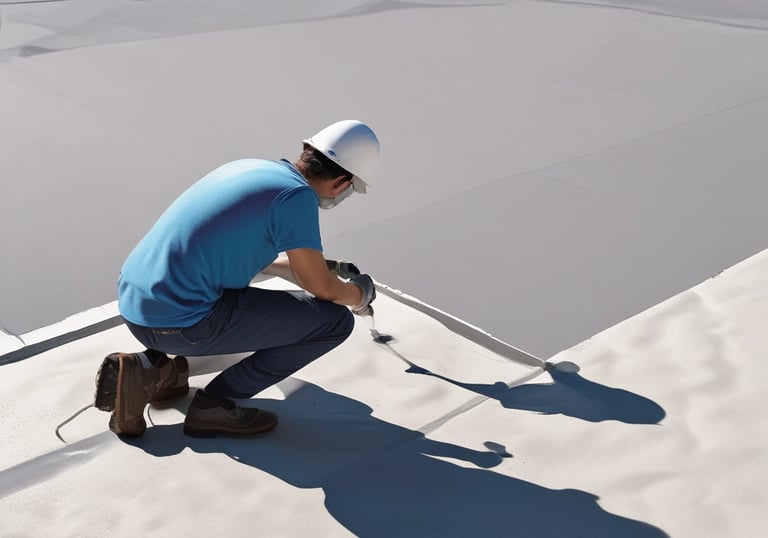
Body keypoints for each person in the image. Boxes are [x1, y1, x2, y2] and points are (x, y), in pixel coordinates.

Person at [94, 120, 380, 438]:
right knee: (333, 322)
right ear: (341, 183)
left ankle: (158, 372)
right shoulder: (296, 198)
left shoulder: (252, 169)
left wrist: (322, 267)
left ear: (306, 150)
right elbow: (322, 288)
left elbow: (267, 261)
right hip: (179, 324)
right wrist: (358, 295)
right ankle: (215, 403)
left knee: (237, 301)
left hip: (137, 307)